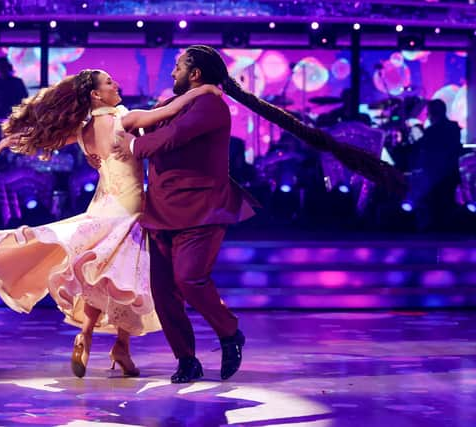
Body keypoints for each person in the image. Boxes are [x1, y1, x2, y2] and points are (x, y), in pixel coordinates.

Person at [110, 45, 405, 384]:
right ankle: (186, 359)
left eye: (178, 66)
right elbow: (146, 124)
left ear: (195, 73)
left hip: (200, 209)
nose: (172, 72)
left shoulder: (210, 105)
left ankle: (230, 332)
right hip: (161, 208)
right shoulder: (173, 103)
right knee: (163, 292)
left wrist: (132, 146)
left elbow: (171, 137)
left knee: (189, 279)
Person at [0, 69, 222, 378]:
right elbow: (172, 110)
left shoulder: (83, 131)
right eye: (109, 83)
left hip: (103, 207)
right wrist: (203, 89)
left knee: (102, 276)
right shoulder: (123, 120)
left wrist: (15, 139)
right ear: (96, 94)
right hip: (129, 209)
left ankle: (94, 338)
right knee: (125, 279)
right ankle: (119, 344)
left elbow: (47, 140)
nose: (117, 85)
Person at [414, 99, 462, 231]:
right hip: (450, 172)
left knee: (435, 201)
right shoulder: (454, 128)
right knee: (447, 201)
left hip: (435, 173)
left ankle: (435, 226)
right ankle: (447, 227)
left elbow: (424, 152)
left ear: (431, 113)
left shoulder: (432, 131)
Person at [0, 56, 29, 123]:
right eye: (1, 66)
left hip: (15, 115)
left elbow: (25, 99)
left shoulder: (17, 82)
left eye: (4, 66)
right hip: (0, 116)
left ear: (8, 67)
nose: (2, 69)